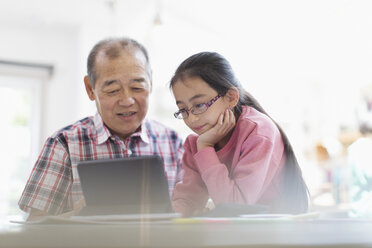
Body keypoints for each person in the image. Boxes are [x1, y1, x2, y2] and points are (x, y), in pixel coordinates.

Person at [18, 37, 184, 220]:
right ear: (90, 88)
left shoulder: (172, 141)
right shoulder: (64, 143)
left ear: (150, 82)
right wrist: (77, 216)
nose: (127, 100)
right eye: (113, 91)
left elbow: (187, 214)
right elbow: (35, 227)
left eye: (137, 87)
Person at [169, 51, 309, 216]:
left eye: (199, 105)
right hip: (237, 234)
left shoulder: (258, 132)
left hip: (275, 235)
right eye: (183, 110)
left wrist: (205, 148)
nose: (191, 119)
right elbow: (188, 200)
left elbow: (235, 205)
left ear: (231, 97)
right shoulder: (196, 144)